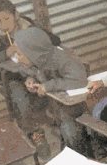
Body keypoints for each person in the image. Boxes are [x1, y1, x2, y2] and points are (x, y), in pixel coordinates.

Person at [0, 0, 59, 128]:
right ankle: (31, 131)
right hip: (17, 77)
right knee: (19, 96)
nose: (4, 25)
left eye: (7, 19)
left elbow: (55, 41)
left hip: (39, 72)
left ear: (16, 15)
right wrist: (5, 53)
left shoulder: (29, 27)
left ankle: (58, 120)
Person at [12, 27, 91, 156]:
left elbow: (79, 81)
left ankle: (81, 157)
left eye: (19, 54)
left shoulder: (64, 58)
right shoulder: (40, 59)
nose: (17, 58)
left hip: (77, 106)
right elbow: (35, 71)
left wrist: (48, 86)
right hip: (57, 105)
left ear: (34, 53)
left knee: (69, 131)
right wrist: (31, 79)